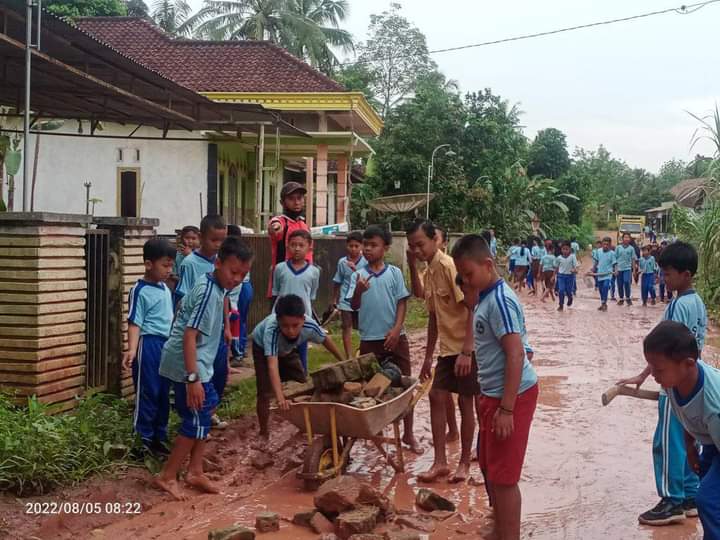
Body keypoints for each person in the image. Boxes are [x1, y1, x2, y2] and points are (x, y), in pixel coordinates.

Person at [451, 234, 538, 540]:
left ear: (488, 264)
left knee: (504, 477)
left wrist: (506, 409)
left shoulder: (499, 301)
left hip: (511, 397)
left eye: (470, 275)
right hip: (494, 395)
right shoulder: (485, 298)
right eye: (462, 277)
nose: (467, 282)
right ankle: (500, 529)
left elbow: (516, 353)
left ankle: (508, 535)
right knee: (490, 467)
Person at [155, 237, 252, 501]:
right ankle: (167, 476)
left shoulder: (216, 285)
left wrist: (226, 332)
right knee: (197, 417)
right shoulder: (208, 292)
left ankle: (195, 471)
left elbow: (219, 305)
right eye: (233, 272)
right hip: (188, 365)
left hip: (197, 363)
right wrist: (193, 379)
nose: (236, 279)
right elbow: (189, 336)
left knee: (205, 411)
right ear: (218, 263)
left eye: (243, 275)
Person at [617, 241, 705, 526]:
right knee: (687, 438)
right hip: (690, 383)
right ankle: (690, 496)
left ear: (686, 274)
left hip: (673, 385)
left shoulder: (679, 305)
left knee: (666, 443)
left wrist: (647, 376)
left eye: (667, 274)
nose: (663, 280)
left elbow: (666, 350)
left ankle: (671, 500)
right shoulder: (698, 303)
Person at [406, 219, 479, 483]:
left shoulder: (449, 266)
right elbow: (434, 318)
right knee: (436, 395)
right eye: (412, 246)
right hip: (447, 350)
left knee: (465, 402)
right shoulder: (428, 271)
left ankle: (464, 465)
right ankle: (440, 462)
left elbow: (471, 306)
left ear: (435, 241)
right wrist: (427, 358)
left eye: (420, 244)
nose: (417, 250)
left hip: (465, 347)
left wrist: (468, 351)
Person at [642, 321, 720, 538]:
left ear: (688, 363)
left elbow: (701, 412)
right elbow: (688, 416)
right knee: (707, 490)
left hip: (716, 435)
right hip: (710, 440)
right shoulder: (674, 381)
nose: (653, 375)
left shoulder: (715, 406)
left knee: (708, 499)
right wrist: (690, 446)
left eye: (658, 369)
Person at [347, 225, 420, 454]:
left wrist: (397, 329)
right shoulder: (357, 275)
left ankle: (408, 433)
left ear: (385, 248)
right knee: (371, 387)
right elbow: (353, 306)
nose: (367, 249)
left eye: (373, 245)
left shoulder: (395, 273)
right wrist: (358, 291)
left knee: (405, 385)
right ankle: (376, 432)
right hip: (370, 339)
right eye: (365, 245)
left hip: (395, 338)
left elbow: (402, 302)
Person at [252, 294, 345, 441]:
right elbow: (272, 365)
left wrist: (344, 360)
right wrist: (280, 397)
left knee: (303, 383)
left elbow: (326, 340)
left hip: (287, 349)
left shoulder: (310, 325)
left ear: (303, 319)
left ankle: (303, 423)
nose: (290, 331)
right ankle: (264, 432)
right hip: (262, 348)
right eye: (285, 326)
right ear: (278, 321)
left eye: (295, 326)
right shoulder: (272, 331)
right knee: (264, 392)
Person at [175, 215, 231, 429]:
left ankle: (209, 414)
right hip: (198, 332)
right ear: (200, 237)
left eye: (221, 241)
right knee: (199, 375)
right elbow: (183, 298)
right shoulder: (190, 264)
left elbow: (224, 295)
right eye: (213, 240)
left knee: (218, 373)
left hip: (216, 331)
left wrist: (227, 326)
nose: (217, 245)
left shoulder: (220, 262)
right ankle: (195, 418)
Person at [121, 238, 175, 457]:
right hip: (149, 344)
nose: (168, 270)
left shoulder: (165, 288)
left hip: (166, 345)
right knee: (148, 392)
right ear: (148, 264)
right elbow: (135, 322)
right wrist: (132, 349)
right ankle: (141, 440)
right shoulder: (139, 290)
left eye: (171, 265)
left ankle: (159, 438)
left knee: (164, 393)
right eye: (165, 265)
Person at [271, 229, 320, 371]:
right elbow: (276, 291)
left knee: (301, 350)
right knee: (280, 350)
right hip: (281, 316)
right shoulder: (279, 268)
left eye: (301, 245)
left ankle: (302, 377)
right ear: (287, 247)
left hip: (302, 317)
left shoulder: (314, 272)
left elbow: (311, 295)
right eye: (293, 245)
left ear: (309, 247)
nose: (297, 248)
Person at [267, 181, 313, 301]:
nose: (296, 202)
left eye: (299, 198)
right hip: (282, 284)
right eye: (291, 199)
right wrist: (275, 227)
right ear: (282, 202)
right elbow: (274, 226)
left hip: (303, 282)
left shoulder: (304, 225)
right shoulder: (281, 221)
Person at [332, 231, 367, 359]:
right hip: (345, 300)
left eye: (356, 246)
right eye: (351, 246)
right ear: (347, 246)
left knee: (362, 327)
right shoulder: (342, 262)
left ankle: (362, 351)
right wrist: (334, 299)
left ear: (362, 246)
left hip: (362, 300)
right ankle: (349, 356)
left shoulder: (365, 261)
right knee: (346, 327)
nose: (353, 249)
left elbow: (366, 279)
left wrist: (355, 270)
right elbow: (337, 281)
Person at [226, 225, 253, 367]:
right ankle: (240, 350)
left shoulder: (233, 252)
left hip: (240, 288)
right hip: (245, 287)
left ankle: (238, 352)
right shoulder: (243, 250)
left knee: (236, 318)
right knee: (240, 320)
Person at [593, 237, 617, 312]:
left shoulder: (612, 253)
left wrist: (616, 270)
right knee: (601, 290)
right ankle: (603, 302)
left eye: (607, 244)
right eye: (604, 244)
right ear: (602, 244)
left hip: (608, 274)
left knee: (606, 287)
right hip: (599, 273)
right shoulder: (598, 251)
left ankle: (604, 303)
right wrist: (592, 269)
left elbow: (615, 264)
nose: (605, 246)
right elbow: (596, 262)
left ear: (610, 245)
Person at [554, 242, 579, 312]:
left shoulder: (572, 256)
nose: (565, 251)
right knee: (561, 290)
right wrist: (553, 276)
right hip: (561, 276)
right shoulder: (559, 258)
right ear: (561, 250)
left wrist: (575, 270)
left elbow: (576, 266)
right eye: (563, 249)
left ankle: (570, 298)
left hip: (570, 276)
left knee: (568, 291)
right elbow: (556, 267)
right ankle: (561, 305)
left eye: (566, 249)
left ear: (570, 249)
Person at [615, 233, 638, 306]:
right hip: (619, 269)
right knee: (619, 284)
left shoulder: (631, 248)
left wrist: (634, 270)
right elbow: (615, 259)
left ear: (630, 239)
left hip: (627, 269)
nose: (626, 239)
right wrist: (615, 269)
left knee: (627, 282)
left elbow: (633, 259)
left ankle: (628, 298)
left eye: (628, 237)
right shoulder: (618, 248)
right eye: (625, 237)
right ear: (622, 238)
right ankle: (621, 299)